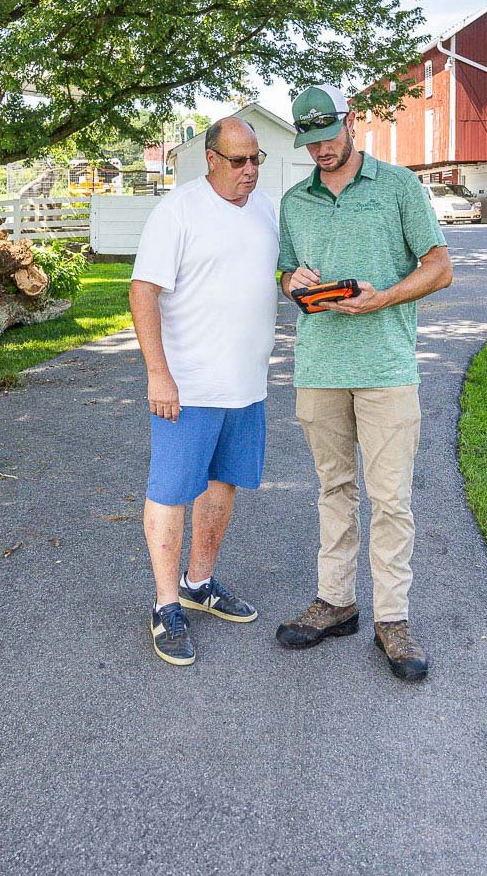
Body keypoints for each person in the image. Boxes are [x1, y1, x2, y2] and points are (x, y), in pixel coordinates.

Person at [274, 85, 452, 682]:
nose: (321, 150)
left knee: (391, 498)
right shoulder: (294, 202)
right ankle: (336, 602)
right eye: (310, 142)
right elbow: (283, 271)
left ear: (350, 124)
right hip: (319, 368)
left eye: (328, 137)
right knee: (334, 488)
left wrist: (383, 299)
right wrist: (292, 283)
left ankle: (392, 619)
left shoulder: (399, 186)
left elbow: (440, 268)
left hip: (385, 369)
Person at [130, 116, 279, 666]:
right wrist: (158, 373)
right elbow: (142, 291)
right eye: (239, 160)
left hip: (246, 384)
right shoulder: (179, 211)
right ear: (211, 159)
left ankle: (199, 583)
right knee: (171, 491)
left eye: (257, 159)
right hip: (188, 386)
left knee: (223, 484)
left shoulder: (265, 210)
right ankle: (166, 604)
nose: (250, 170)